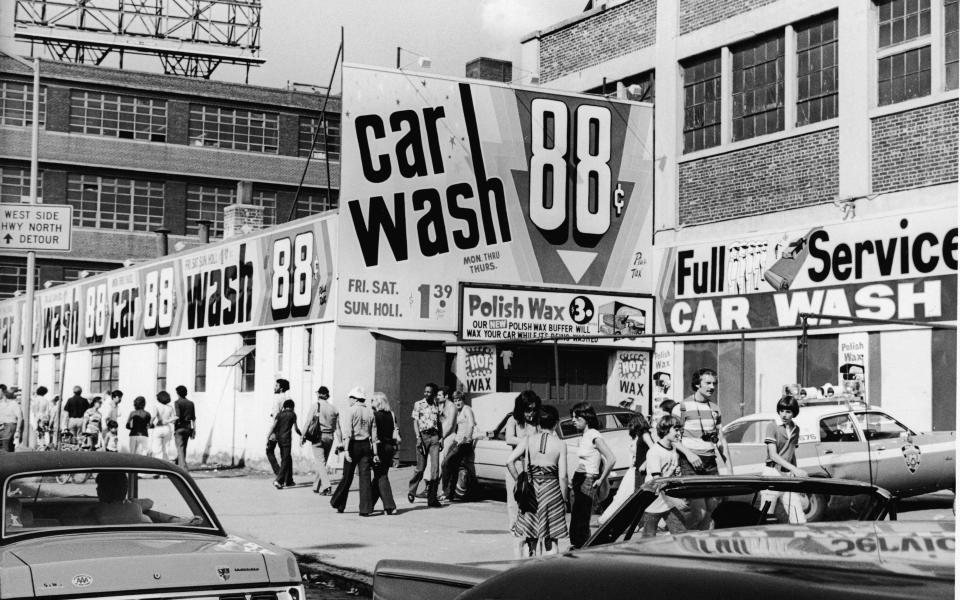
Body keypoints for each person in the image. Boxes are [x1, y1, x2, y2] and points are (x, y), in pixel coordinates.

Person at [506, 404, 568, 557]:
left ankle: (528, 571)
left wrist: (520, 480)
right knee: (551, 539)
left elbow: (509, 462)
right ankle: (548, 574)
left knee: (530, 538)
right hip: (552, 492)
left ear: (538, 422)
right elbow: (563, 476)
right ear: (556, 423)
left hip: (531, 492)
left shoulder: (528, 440)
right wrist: (564, 498)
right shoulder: (560, 444)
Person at [672, 367, 728, 529]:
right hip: (690, 463)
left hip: (710, 462)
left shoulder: (715, 408)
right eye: (708, 383)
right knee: (699, 513)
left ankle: (699, 546)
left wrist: (728, 468)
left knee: (711, 509)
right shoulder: (681, 407)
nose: (712, 387)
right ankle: (678, 537)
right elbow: (671, 438)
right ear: (697, 384)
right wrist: (689, 455)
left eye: (714, 383)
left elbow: (720, 439)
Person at [568, 402, 616, 550]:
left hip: (588, 479)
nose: (573, 420)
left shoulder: (594, 435)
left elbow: (611, 458)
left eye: (577, 418)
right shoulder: (584, 436)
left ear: (586, 418)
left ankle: (584, 549)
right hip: (579, 478)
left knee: (582, 518)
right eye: (573, 418)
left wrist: (601, 479)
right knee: (576, 517)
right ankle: (578, 547)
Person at [504, 390, 542, 555]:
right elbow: (509, 438)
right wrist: (528, 441)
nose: (531, 413)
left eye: (533, 409)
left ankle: (531, 536)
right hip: (516, 466)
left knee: (532, 504)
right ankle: (516, 536)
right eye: (528, 410)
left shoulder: (537, 422)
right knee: (515, 501)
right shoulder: (513, 420)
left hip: (532, 467)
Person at [759, 395, 807, 524]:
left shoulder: (796, 429)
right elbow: (773, 455)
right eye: (782, 411)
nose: (784, 415)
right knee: (766, 517)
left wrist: (796, 475)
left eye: (788, 411)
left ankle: (801, 542)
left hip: (787, 475)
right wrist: (795, 469)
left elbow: (792, 453)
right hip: (772, 473)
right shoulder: (772, 426)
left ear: (794, 413)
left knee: (798, 518)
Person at [331, 387, 378, 516]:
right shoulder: (370, 412)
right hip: (366, 446)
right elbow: (374, 435)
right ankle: (365, 509)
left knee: (347, 476)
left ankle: (339, 503)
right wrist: (375, 453)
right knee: (365, 477)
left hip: (353, 445)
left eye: (350, 398)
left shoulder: (350, 411)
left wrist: (345, 449)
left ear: (354, 398)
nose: (348, 400)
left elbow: (347, 432)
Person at [641, 415, 687, 537]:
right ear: (666, 430)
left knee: (680, 532)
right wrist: (673, 499)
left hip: (667, 500)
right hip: (653, 499)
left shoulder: (673, 449)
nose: (678, 433)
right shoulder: (654, 452)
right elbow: (658, 480)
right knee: (648, 536)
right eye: (676, 429)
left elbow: (673, 476)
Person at [408, 383, 443, 506]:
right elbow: (415, 422)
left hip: (434, 437)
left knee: (435, 469)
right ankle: (412, 490)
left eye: (429, 392)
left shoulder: (436, 405)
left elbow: (439, 422)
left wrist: (441, 438)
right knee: (421, 467)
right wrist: (418, 437)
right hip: (423, 437)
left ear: (433, 394)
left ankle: (432, 498)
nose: (427, 394)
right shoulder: (419, 404)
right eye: (425, 391)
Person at [301, 385, 339, 495]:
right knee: (322, 462)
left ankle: (326, 486)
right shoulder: (333, 408)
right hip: (330, 437)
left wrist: (302, 436)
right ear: (327, 396)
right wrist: (340, 442)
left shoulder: (315, 406)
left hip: (318, 436)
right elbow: (338, 428)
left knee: (320, 462)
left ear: (319, 394)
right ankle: (316, 486)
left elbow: (308, 422)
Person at [369, 391, 400, 515]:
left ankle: (389, 506)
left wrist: (374, 452)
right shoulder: (391, 415)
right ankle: (368, 504)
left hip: (379, 447)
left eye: (373, 400)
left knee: (381, 476)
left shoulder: (375, 415)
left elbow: (374, 435)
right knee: (379, 476)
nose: (371, 403)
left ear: (379, 402)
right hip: (390, 447)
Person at [443, 390, 476, 501]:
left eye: (459, 400)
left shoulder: (467, 409)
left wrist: (467, 438)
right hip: (457, 441)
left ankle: (446, 492)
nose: (457, 402)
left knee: (447, 462)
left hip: (464, 442)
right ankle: (450, 494)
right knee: (451, 465)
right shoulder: (457, 412)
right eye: (455, 400)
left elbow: (471, 424)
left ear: (463, 400)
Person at [271, 399, 302, 489]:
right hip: (287, 440)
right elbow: (296, 429)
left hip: (279, 439)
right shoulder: (292, 414)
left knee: (288, 458)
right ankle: (279, 480)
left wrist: (270, 436)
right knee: (285, 460)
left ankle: (289, 480)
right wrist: (302, 435)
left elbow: (274, 426)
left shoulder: (279, 414)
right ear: (292, 407)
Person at [436, 386, 459, 502]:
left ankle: (444, 491)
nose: (437, 397)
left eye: (440, 395)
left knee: (444, 464)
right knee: (439, 463)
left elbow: (449, 425)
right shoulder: (441, 406)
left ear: (446, 396)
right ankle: (440, 490)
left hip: (448, 437)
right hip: (441, 437)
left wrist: (441, 437)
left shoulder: (452, 407)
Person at [266, 379, 291, 478]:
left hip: (277, 429)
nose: (274, 387)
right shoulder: (288, 398)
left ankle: (279, 473)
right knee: (285, 455)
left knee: (269, 451)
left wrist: (272, 432)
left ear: (280, 388)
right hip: (286, 429)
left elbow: (276, 417)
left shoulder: (278, 399)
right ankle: (288, 478)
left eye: (276, 385)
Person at [173, 385, 196, 469]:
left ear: (178, 393)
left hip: (179, 427)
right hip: (188, 427)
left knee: (180, 448)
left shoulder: (177, 402)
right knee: (184, 448)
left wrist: (172, 421)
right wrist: (194, 430)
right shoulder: (191, 403)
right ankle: (180, 463)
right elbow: (193, 418)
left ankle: (183, 468)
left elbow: (178, 416)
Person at [153, 391, 176, 462]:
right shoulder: (170, 408)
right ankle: (165, 466)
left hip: (158, 428)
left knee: (157, 449)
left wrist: (150, 423)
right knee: (166, 448)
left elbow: (153, 416)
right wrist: (167, 420)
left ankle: (157, 465)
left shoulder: (156, 406)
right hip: (167, 428)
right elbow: (174, 420)